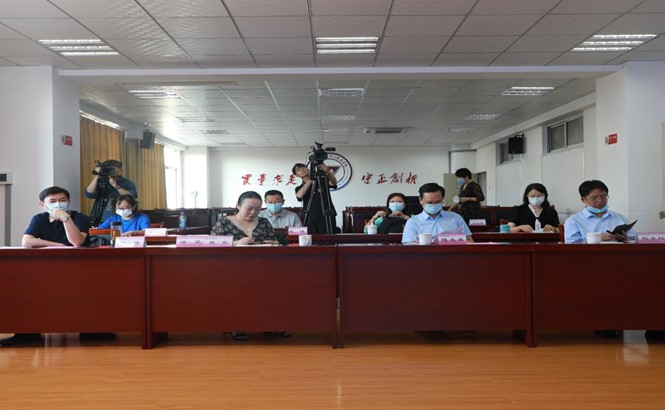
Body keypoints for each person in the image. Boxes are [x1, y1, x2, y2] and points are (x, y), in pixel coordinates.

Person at [1, 187, 91, 347]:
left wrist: (65, 219)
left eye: (62, 200)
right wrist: (59, 245)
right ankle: (27, 333)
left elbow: (77, 242)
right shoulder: (39, 219)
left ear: (69, 202)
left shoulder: (80, 218)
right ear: (42, 205)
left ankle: (93, 329)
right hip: (46, 269)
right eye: (53, 201)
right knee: (23, 288)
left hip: (78, 269)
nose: (58, 204)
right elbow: (27, 242)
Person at [564, 180, 635, 244]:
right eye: (594, 198)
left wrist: (626, 239)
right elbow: (571, 246)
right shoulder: (573, 221)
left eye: (603, 196)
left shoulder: (620, 218)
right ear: (583, 200)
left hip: (618, 253)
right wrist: (595, 239)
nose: (600, 200)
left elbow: (634, 241)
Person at [402, 183, 472, 244]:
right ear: (420, 200)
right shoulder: (413, 222)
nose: (433, 205)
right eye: (429, 202)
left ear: (443, 199)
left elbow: (470, 241)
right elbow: (409, 247)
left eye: (437, 202)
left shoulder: (456, 218)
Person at [211, 191, 276, 246]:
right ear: (238, 205)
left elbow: (274, 241)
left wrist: (273, 243)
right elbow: (212, 243)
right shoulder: (223, 223)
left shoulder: (264, 222)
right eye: (249, 208)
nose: (253, 212)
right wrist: (235, 243)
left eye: (257, 209)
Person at [84, 159, 137, 226]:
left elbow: (132, 197)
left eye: (113, 168)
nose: (110, 171)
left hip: (122, 219)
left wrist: (117, 186)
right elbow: (89, 194)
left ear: (120, 170)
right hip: (101, 218)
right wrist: (97, 175)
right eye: (108, 169)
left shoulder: (127, 182)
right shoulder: (100, 181)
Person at [293, 162, 338, 234]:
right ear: (296, 175)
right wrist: (311, 178)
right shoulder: (299, 188)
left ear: (308, 169)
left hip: (327, 216)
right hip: (311, 218)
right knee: (311, 239)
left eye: (304, 168)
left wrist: (327, 171)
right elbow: (299, 195)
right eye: (298, 170)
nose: (302, 170)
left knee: (328, 238)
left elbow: (334, 183)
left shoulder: (322, 181)